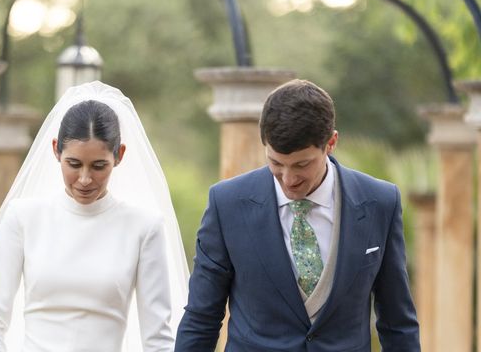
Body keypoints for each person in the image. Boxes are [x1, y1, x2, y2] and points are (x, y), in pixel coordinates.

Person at [175, 79, 420, 351]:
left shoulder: (380, 202)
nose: (288, 179)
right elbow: (202, 317)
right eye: (276, 163)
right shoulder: (227, 204)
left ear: (331, 143)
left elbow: (397, 323)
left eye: (302, 164)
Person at [0, 81, 189, 352]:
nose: (85, 179)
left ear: (119, 155)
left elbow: (158, 339)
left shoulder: (144, 227)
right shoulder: (22, 218)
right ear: (56, 150)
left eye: (99, 166)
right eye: (74, 164)